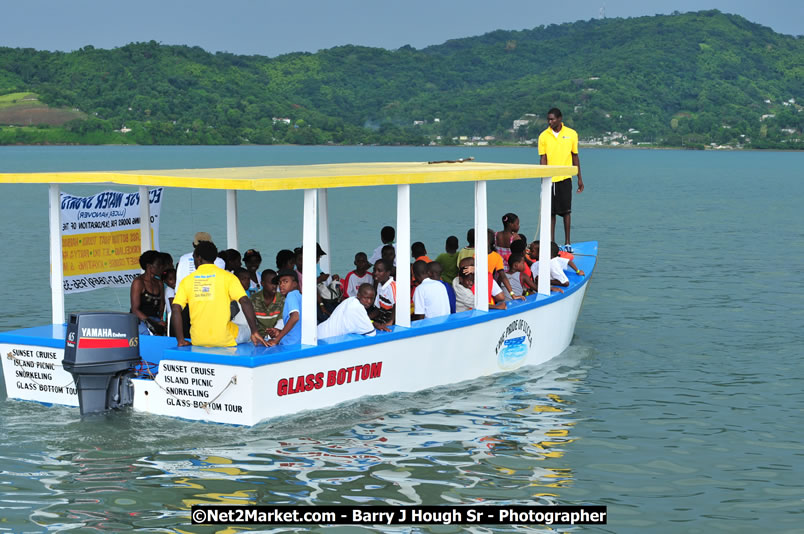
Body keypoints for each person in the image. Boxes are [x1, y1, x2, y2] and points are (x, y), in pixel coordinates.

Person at [171, 241, 266, 347]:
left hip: (198, 340)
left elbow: (175, 309)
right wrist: (254, 331)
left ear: (199, 258)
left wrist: (181, 340)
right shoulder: (228, 277)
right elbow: (245, 301)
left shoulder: (187, 281)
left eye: (193, 258)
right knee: (247, 329)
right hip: (225, 338)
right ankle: (254, 337)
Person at [538, 107, 584, 251]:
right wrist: (543, 178)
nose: (549, 121)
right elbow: (543, 158)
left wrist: (579, 178)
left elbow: (575, 156)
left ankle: (567, 242)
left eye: (552, 119)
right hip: (550, 179)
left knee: (566, 211)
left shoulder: (571, 134)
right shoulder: (543, 136)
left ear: (559, 119)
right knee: (551, 212)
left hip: (565, 178)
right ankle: (552, 243)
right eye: (548, 119)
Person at [318, 283, 390, 339]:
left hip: (319, 331)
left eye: (372, 298)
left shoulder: (351, 300)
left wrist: (373, 322)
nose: (369, 301)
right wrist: (374, 324)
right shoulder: (357, 307)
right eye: (366, 298)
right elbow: (371, 333)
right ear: (358, 295)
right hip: (325, 339)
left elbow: (360, 320)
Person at [131, 250, 166, 336]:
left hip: (155, 319)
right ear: (149, 266)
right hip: (141, 320)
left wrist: (161, 322)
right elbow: (135, 310)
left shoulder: (159, 283)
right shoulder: (138, 282)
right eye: (158, 265)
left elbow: (161, 307)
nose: (162, 267)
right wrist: (152, 324)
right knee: (146, 333)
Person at [266, 269, 302, 347]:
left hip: (291, 345)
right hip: (298, 343)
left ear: (295, 284)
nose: (281, 285)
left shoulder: (291, 295)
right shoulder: (299, 296)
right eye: (279, 283)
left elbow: (295, 317)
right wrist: (279, 332)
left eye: (285, 281)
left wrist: (276, 339)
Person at [250, 268, 285, 339]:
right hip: (257, 339)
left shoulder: (282, 299)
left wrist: (274, 332)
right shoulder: (253, 299)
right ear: (262, 283)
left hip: (277, 338)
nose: (274, 286)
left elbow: (282, 321)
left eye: (276, 283)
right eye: (271, 283)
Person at [371, 259, 396, 326]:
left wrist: (390, 322)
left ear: (388, 273)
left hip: (390, 323)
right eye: (374, 270)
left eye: (379, 271)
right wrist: (366, 318)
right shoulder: (380, 284)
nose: (375, 273)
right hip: (381, 320)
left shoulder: (392, 286)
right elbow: (377, 309)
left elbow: (397, 305)